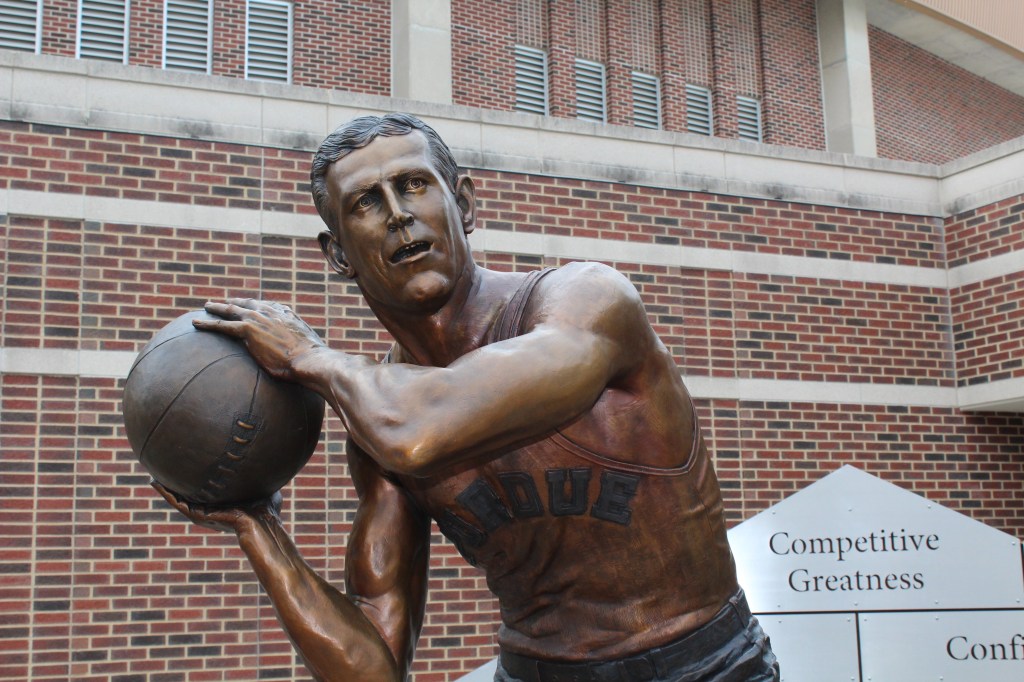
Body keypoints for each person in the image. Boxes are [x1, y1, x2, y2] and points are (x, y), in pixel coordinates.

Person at [156, 113, 779, 682]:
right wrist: (257, 526)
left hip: (702, 666)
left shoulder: (586, 301)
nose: (399, 213)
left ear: (465, 202)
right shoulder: (377, 419)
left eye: (415, 185)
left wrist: (309, 357)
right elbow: (372, 667)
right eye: (367, 203)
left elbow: (422, 428)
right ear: (339, 254)